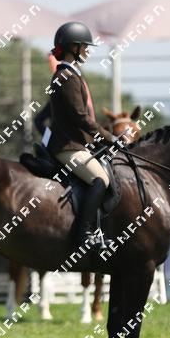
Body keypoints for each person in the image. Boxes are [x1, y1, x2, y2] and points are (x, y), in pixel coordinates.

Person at [46, 21, 118, 253]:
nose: (87, 50)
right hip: (67, 146)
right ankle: (84, 234)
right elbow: (80, 117)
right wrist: (109, 137)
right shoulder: (66, 76)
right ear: (73, 47)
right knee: (100, 180)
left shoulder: (71, 73)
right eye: (84, 46)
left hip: (76, 143)